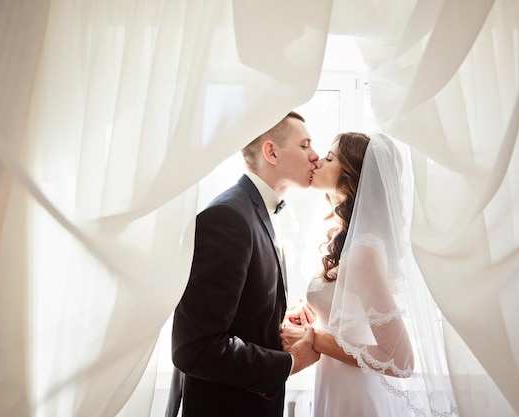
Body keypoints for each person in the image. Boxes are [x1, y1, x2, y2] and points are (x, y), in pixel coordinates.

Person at [170, 111, 321, 417]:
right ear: (272, 151)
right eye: (305, 145)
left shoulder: (253, 213)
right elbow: (196, 347)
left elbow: (235, 312)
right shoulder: (229, 218)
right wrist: (290, 363)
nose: (315, 156)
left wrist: (275, 320)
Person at [281, 132, 416, 417]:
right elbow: (351, 315)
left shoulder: (364, 249)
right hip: (338, 385)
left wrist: (313, 337)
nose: (317, 160)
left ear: (352, 175)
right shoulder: (351, 240)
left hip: (358, 397)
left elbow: (400, 360)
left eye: (330, 158)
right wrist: (313, 315)